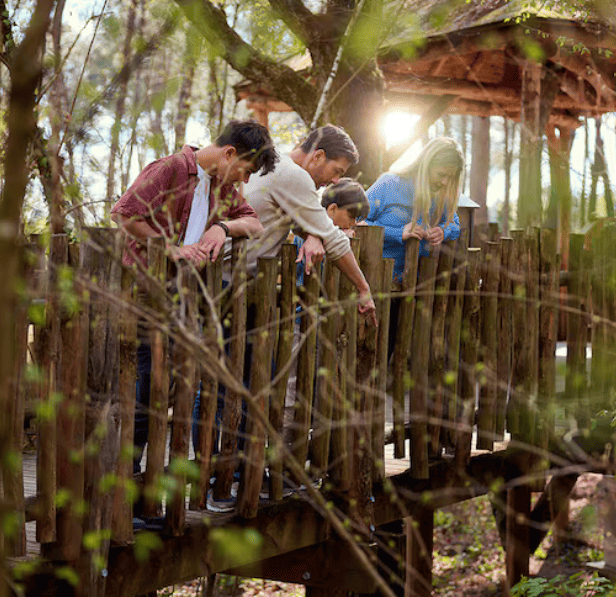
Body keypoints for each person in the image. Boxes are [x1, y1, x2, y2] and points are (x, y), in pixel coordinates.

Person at [111, 119, 276, 476]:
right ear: (229, 153)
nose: (245, 181)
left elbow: (254, 224)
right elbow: (125, 215)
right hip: (144, 298)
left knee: (162, 398)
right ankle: (126, 488)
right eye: (246, 171)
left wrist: (222, 227)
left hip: (180, 304)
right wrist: (171, 250)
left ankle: (145, 490)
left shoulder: (220, 187)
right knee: (143, 396)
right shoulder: (171, 169)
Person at [245, 125, 377, 324]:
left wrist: (312, 235)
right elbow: (335, 240)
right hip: (236, 284)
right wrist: (364, 288)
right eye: (336, 171)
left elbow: (301, 221)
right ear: (318, 156)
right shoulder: (294, 176)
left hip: (235, 279)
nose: (335, 180)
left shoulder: (276, 163)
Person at [364, 136, 464, 282]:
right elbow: (355, 224)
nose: (445, 182)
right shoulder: (388, 184)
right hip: (377, 281)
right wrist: (397, 233)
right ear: (425, 165)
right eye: (441, 175)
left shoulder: (439, 197)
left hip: (416, 286)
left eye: (450, 177)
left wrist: (442, 231)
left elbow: (454, 225)